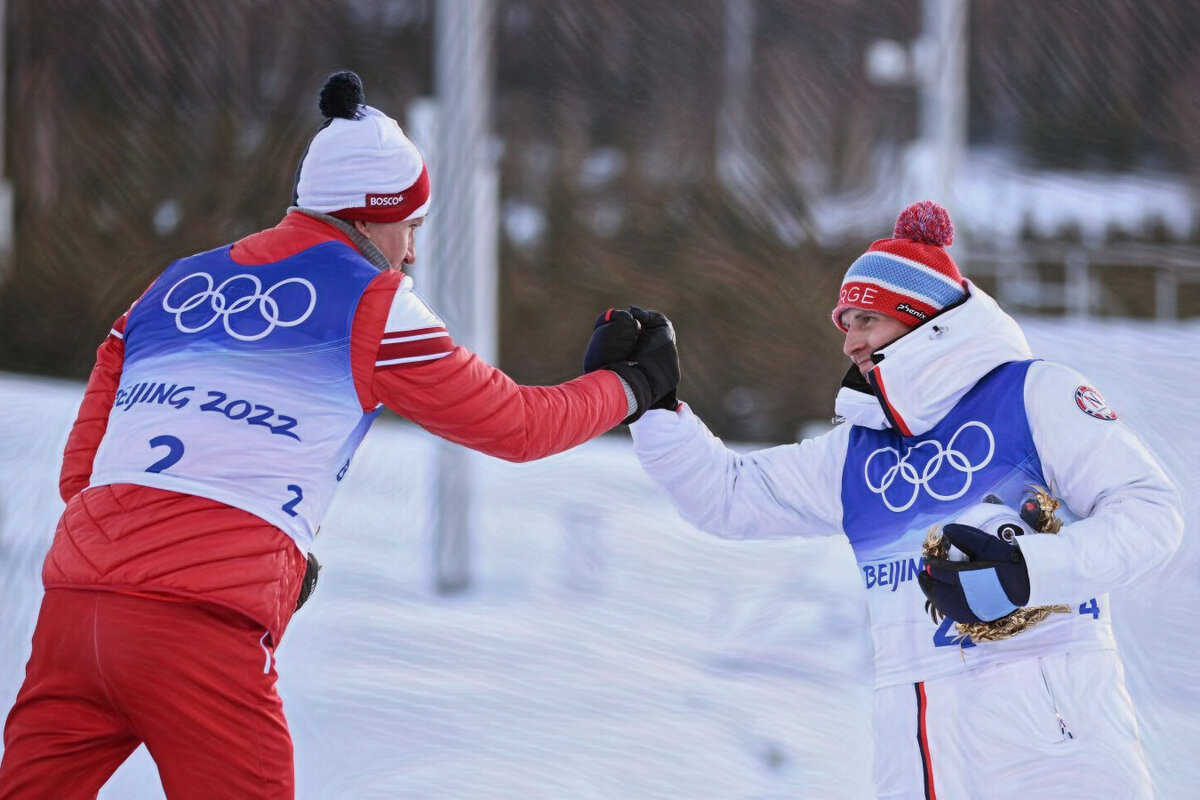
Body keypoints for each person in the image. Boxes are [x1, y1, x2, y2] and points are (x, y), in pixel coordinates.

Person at [0, 71, 678, 799]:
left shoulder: (172, 285)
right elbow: (514, 426)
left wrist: (178, 552)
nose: (412, 252)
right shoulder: (371, 303)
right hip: (201, 632)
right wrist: (633, 386)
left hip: (74, 609)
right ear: (372, 217)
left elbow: (85, 473)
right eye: (411, 226)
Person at [620, 201, 1182, 799]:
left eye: (865, 320)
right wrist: (653, 405)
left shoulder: (1036, 392)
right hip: (913, 740)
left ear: (921, 319)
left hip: (1052, 726)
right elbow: (729, 496)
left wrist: (1029, 570)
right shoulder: (856, 450)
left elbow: (1151, 513)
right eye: (846, 323)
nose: (849, 342)